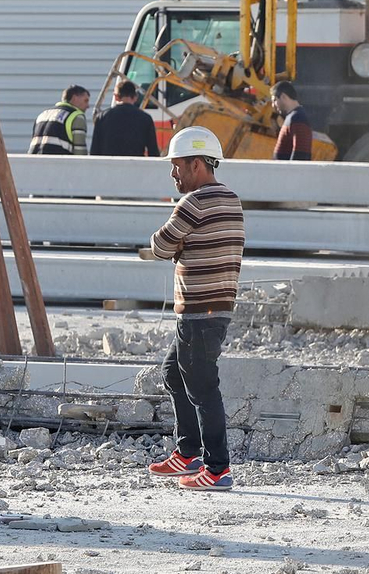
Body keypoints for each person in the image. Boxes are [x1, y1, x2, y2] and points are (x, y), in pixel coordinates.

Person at [145, 125, 244, 492]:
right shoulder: (231, 199)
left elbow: (160, 245)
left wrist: (177, 246)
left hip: (199, 311)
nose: (173, 173)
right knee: (174, 372)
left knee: (203, 387)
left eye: (177, 165)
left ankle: (217, 469)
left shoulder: (194, 202)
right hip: (215, 310)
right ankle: (188, 453)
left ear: (198, 164)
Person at [91, 81, 160, 157]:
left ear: (116, 97)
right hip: (135, 166)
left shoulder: (102, 117)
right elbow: (153, 151)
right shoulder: (145, 118)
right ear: (135, 97)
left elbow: (95, 151)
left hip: (108, 166)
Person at [29, 85, 89, 155]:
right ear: (75, 98)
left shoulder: (43, 115)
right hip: (59, 163)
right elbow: (80, 152)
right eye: (86, 100)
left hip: (35, 162)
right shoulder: (76, 117)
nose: (88, 106)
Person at [270, 80, 313, 161]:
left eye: (275, 100)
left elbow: (300, 156)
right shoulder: (293, 117)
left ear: (283, 97)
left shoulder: (298, 118)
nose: (273, 105)